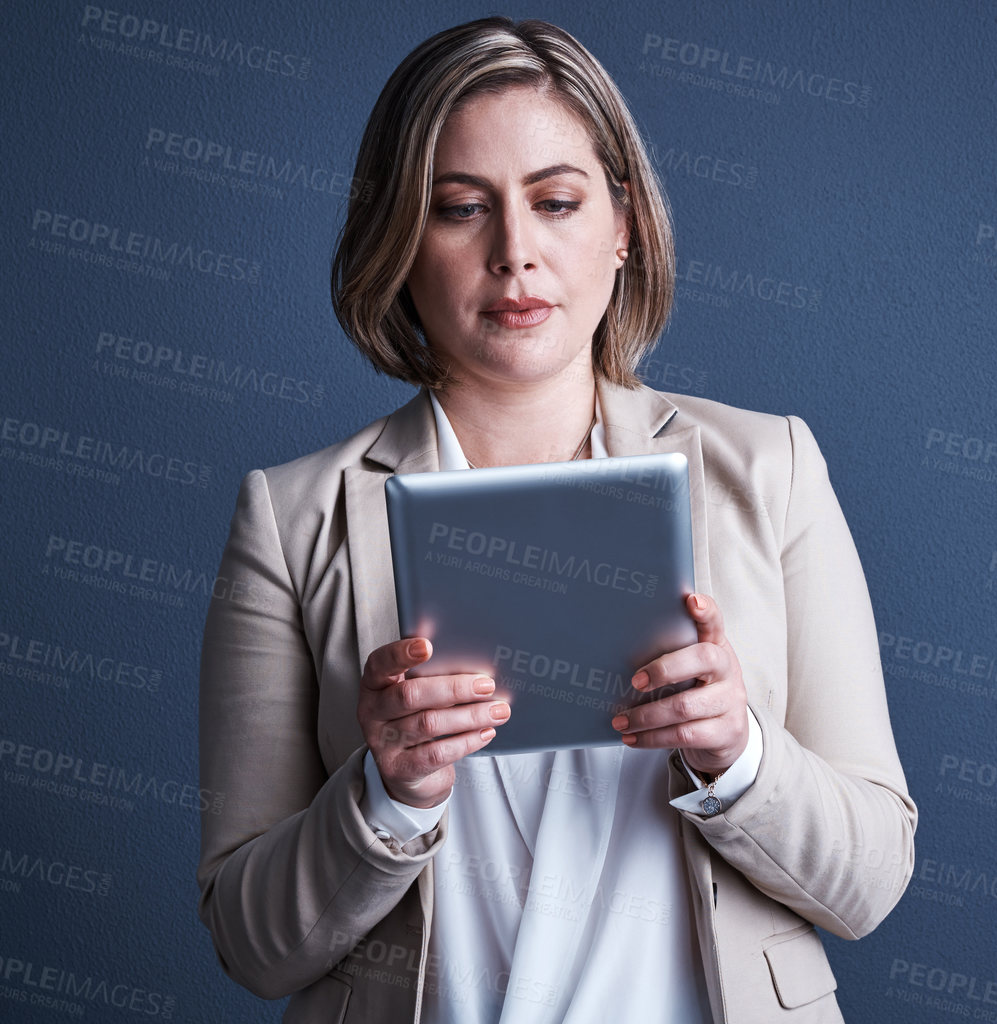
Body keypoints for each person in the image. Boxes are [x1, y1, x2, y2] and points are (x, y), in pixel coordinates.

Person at [196, 16, 915, 1024]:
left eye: (556, 201)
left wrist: (737, 755)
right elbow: (250, 940)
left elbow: (870, 878)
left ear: (621, 225)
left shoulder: (769, 470)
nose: (514, 254)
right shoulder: (293, 517)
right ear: (401, 242)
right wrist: (386, 793)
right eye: (458, 208)